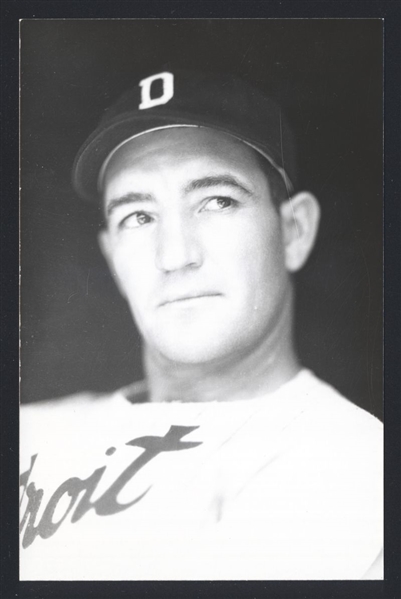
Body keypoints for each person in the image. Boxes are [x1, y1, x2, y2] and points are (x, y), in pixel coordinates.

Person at [20, 70, 383, 580]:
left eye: (217, 201)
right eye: (138, 217)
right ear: (112, 258)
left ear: (294, 231)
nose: (175, 256)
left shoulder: (360, 472)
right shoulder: (29, 432)